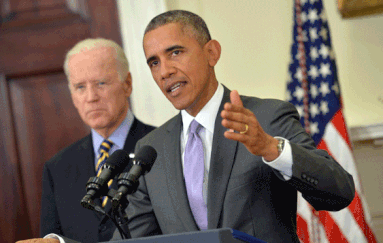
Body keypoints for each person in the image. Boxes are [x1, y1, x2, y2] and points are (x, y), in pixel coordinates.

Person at [108, 10, 355, 243]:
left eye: (175, 53)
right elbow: (131, 236)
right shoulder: (152, 148)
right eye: (154, 62)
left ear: (212, 53)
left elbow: (339, 192)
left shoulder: (266, 117)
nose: (164, 71)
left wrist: (271, 147)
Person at [38, 38, 155, 243]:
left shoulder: (159, 147)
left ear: (127, 84)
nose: (91, 97)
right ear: (73, 96)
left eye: (101, 83)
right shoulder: (57, 167)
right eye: (80, 87)